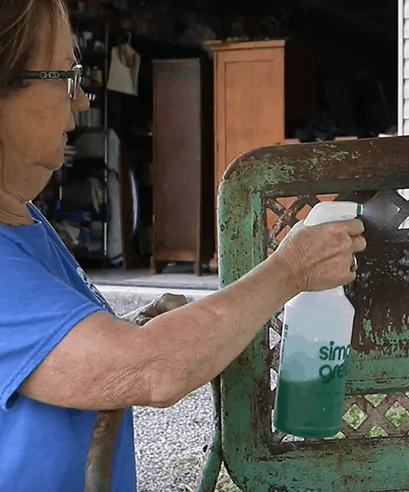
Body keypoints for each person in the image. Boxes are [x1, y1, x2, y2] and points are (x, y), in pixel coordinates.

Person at [0, 1, 367, 490]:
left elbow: (57, 359)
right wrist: (292, 269)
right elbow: (151, 369)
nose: (83, 100)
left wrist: (120, 330)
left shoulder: (24, 218)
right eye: (66, 77)